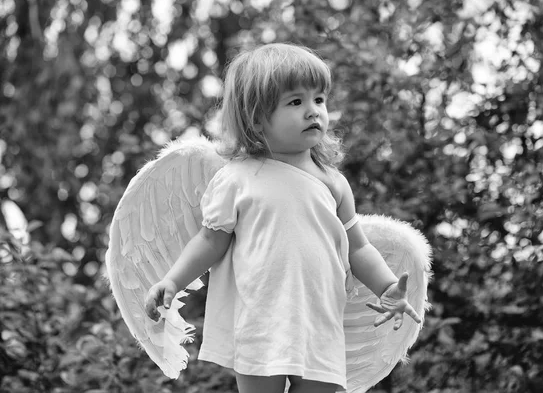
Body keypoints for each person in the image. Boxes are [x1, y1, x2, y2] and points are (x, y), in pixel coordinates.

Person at [144, 43, 421, 393]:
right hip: (261, 319)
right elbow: (210, 240)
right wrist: (173, 281)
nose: (313, 112)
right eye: (295, 102)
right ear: (257, 118)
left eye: (319, 100)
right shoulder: (238, 177)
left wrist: (387, 286)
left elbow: (359, 249)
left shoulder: (332, 182)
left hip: (320, 319)